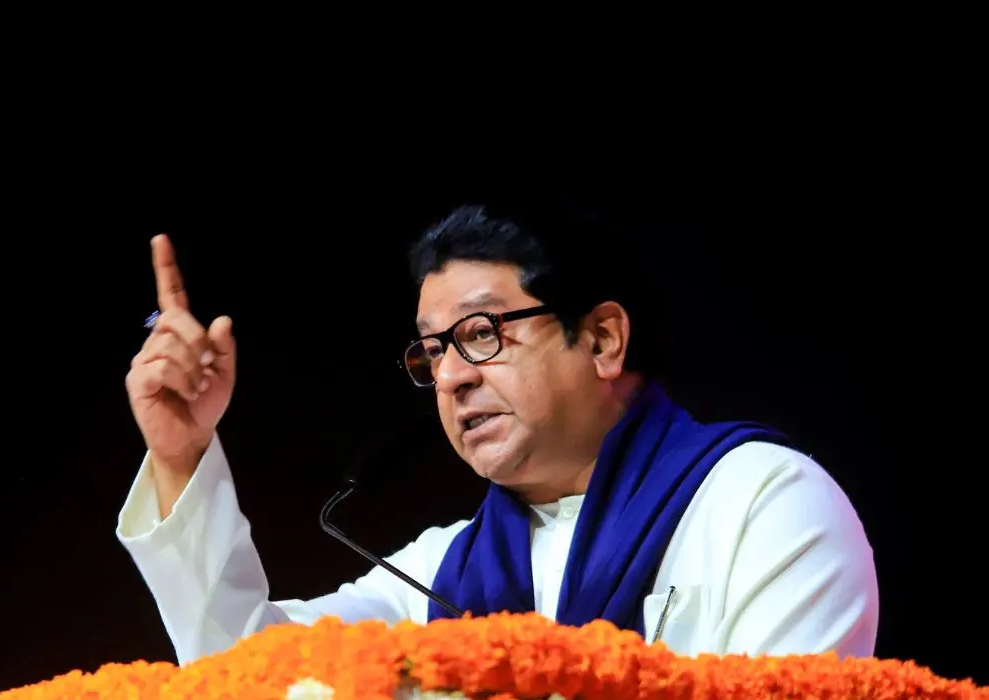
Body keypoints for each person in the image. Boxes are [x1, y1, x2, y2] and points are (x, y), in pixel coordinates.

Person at [118, 203, 880, 666]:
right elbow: (252, 673)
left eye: (480, 333)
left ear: (603, 339)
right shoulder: (440, 576)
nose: (450, 376)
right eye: (433, 351)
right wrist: (181, 456)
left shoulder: (762, 505)